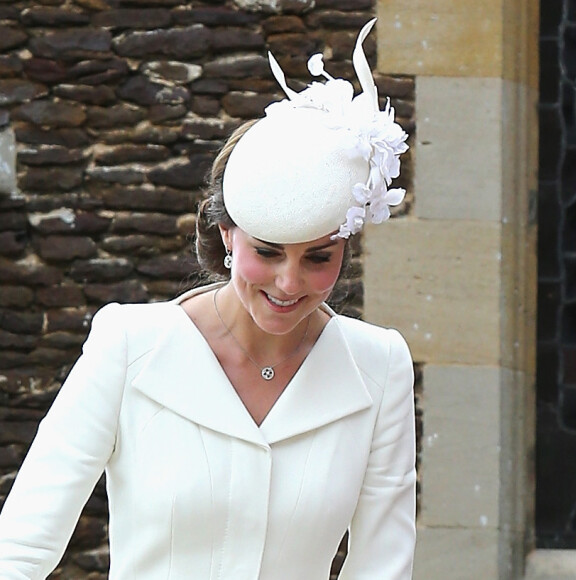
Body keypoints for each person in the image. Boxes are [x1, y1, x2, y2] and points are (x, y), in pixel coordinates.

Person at [0, 18, 416, 579]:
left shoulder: (379, 365)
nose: (289, 283)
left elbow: (382, 567)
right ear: (227, 234)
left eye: (318, 257)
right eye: (267, 252)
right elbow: (20, 547)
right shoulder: (129, 345)